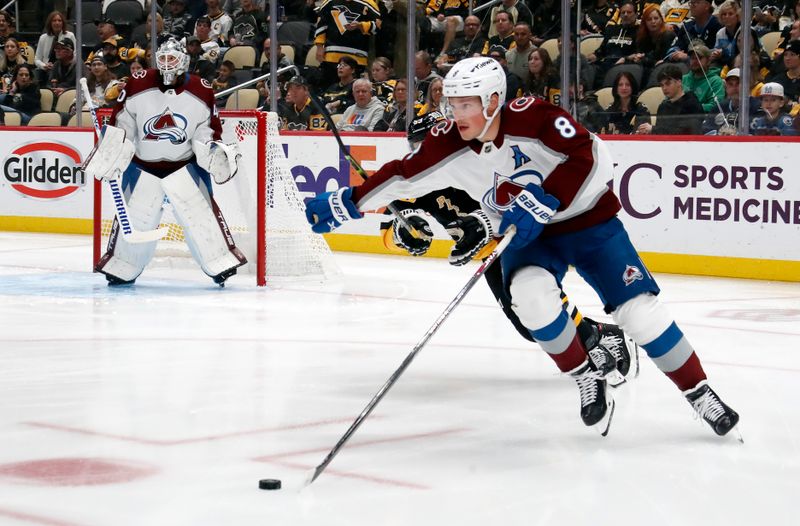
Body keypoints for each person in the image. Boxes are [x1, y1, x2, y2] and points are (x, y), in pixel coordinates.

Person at [304, 56, 740, 438]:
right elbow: (402, 174)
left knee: (639, 313)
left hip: (588, 223)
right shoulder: (449, 141)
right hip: (529, 237)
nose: (457, 114)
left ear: (493, 100)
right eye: (453, 105)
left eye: (466, 104)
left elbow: (589, 157)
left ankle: (700, 393)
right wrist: (348, 203)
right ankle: (586, 374)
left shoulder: (535, 118)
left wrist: (546, 199)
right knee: (530, 304)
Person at [381, 110, 638, 388]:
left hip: (517, 243)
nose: (422, 152)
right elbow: (390, 230)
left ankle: (595, 341)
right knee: (527, 328)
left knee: (538, 304)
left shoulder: (475, 163)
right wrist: (404, 231)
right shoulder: (419, 181)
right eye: (415, 145)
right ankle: (601, 334)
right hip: (489, 257)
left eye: (426, 143)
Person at [87, 37, 246, 287]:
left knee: (200, 214)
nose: (167, 64)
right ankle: (122, 264)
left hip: (184, 165)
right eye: (162, 58)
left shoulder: (201, 89)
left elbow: (206, 130)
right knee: (137, 216)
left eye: (172, 59)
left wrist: (211, 152)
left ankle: (219, 260)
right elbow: (123, 122)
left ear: (184, 61)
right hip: (142, 165)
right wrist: (113, 149)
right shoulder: (138, 84)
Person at [313, 0, 381, 88]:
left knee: (353, 90)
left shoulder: (369, 3)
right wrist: (319, 46)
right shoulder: (329, 2)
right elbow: (321, 24)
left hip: (357, 57)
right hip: (331, 55)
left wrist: (360, 25)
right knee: (328, 88)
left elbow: (378, 26)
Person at [637, 64, 704, 134]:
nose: (664, 88)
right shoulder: (663, 107)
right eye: (662, 85)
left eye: (668, 84)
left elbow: (682, 132)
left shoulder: (692, 104)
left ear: (679, 82)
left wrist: (653, 130)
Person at [701, 67, 760, 135]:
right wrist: (719, 134)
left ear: (747, 86)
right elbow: (706, 130)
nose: (734, 87)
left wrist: (737, 135)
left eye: (738, 83)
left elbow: (759, 134)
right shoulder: (719, 107)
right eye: (730, 84)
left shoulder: (757, 107)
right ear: (726, 87)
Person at [34, 11, 75, 86]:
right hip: (47, 70)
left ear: (63, 23)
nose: (57, 23)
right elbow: (37, 59)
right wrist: (44, 66)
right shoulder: (43, 38)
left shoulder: (70, 36)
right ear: (50, 23)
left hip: (65, 69)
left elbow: (75, 55)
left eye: (59, 20)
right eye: (54, 20)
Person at [681, 42, 724, 113]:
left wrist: (694, 107)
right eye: (692, 58)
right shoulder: (683, 79)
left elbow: (717, 106)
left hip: (703, 119)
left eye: (699, 58)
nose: (694, 61)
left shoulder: (715, 81)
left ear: (708, 60)